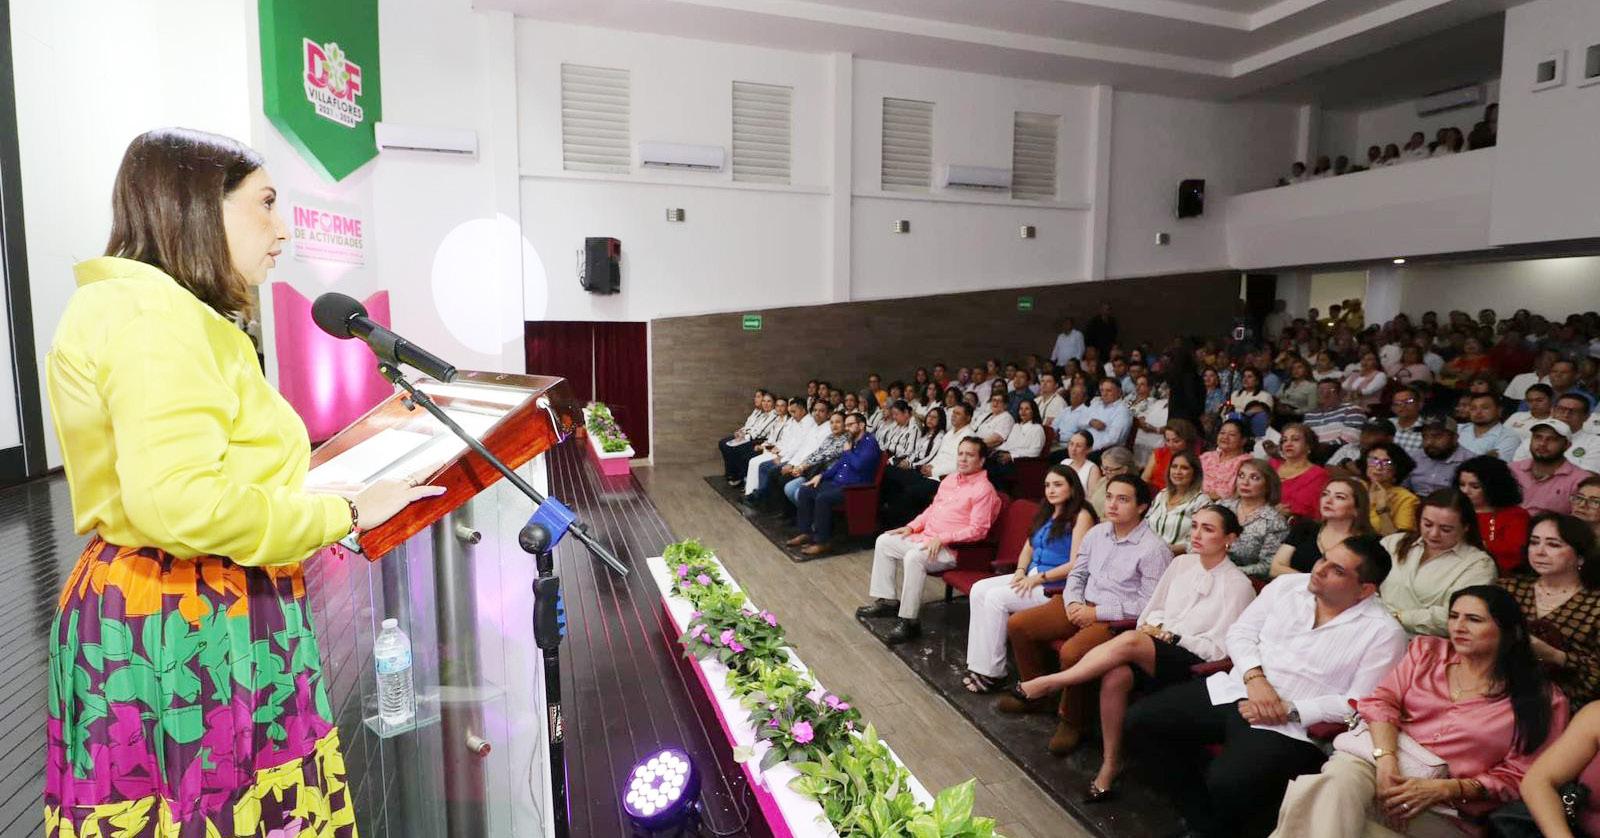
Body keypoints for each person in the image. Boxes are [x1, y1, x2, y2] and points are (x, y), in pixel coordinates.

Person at [44, 129, 446, 835]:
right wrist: (346, 512)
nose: (282, 229)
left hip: (163, 603)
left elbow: (200, 476)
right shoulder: (157, 320)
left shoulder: (134, 306)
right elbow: (181, 503)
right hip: (190, 621)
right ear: (198, 206)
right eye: (264, 203)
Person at [1127, 535, 1408, 838]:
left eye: (1337, 570)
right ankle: (1203, 822)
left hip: (1292, 726)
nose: (1320, 569)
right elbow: (1240, 633)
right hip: (1236, 689)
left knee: (1229, 780)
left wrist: (1290, 709)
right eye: (1323, 558)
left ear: (1365, 589)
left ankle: (1211, 826)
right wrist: (1255, 678)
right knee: (1141, 722)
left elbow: (1360, 702)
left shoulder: (1384, 632)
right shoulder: (1287, 587)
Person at [1273, 585, 1566, 836]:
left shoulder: (1543, 699)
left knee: (1316, 807)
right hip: (1375, 764)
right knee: (1338, 783)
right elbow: (1381, 702)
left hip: (1445, 807)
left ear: (1510, 631)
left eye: (1474, 620)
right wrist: (1386, 761)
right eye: (1454, 616)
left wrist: (1446, 789)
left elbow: (1521, 775)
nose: (1459, 627)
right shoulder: (1427, 652)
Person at [1016, 505, 1255, 802]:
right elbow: (1151, 610)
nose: (1196, 534)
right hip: (1153, 646)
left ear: (1230, 538)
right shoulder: (1181, 564)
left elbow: (1221, 649)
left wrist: (1172, 637)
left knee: (1131, 639)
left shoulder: (1239, 585)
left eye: (1208, 529)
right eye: (1194, 526)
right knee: (1116, 675)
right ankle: (1110, 763)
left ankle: (1053, 682)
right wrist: (1156, 629)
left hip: (1196, 664)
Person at [1002, 476, 1172, 754]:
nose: (1112, 504)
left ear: (1142, 507)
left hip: (1115, 617)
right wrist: (1073, 602)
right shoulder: (1097, 533)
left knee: (1073, 653)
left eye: (1123, 499)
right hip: (1079, 602)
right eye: (1110, 497)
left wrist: (1096, 613)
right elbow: (1078, 574)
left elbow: (1148, 605)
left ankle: (1073, 721)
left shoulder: (1154, 549)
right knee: (1019, 625)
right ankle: (1038, 694)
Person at [962, 466, 1097, 693]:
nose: (1051, 490)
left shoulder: (1081, 515)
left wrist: (1038, 578)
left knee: (996, 598)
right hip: (1033, 575)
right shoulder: (1046, 511)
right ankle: (978, 665)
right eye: (1047, 485)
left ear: (1073, 488)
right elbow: (1028, 547)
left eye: (1058, 485)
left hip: (1056, 586)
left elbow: (1076, 564)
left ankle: (993, 673)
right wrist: (1020, 571)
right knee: (979, 589)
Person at [857, 438, 1002, 643]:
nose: (963, 459)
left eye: (970, 455)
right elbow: (932, 510)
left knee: (914, 557)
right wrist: (912, 527)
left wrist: (943, 538)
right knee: (885, 541)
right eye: (960, 453)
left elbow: (978, 530)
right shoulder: (950, 479)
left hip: (954, 550)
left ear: (982, 460)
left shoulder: (984, 490)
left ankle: (909, 621)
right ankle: (888, 601)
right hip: (926, 538)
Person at [1498, 514, 1600, 707]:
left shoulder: (1595, 603)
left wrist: (1554, 655)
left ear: (1580, 556)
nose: (1539, 552)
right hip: (1500, 692)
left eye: (1553, 545)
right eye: (1534, 542)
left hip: (1569, 703)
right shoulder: (1507, 588)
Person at [1377, 490, 1496, 636]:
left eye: (1446, 529)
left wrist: (1399, 618)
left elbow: (1456, 615)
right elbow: (1363, 583)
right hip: (1372, 628)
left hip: (1426, 643)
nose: (1434, 534)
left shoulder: (1479, 564)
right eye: (1427, 524)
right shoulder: (1393, 543)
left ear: (1466, 527)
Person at [787, 412, 882, 557]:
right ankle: (806, 532)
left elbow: (859, 465)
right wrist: (821, 475)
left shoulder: (870, 443)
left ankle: (822, 542)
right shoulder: (852, 441)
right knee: (806, 489)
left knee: (823, 498)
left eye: (850, 425)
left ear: (861, 425)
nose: (847, 428)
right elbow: (840, 464)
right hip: (838, 483)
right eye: (847, 425)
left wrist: (848, 451)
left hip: (854, 488)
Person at [1270, 478, 1373, 576]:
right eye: (1325, 494)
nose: (1328, 501)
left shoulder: (1368, 543)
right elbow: (1275, 568)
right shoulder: (1305, 527)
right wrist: (1315, 581)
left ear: (1357, 509)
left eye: (1339, 497)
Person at [1457, 455, 1532, 574]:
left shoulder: (1516, 515)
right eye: (1461, 485)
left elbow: (1514, 554)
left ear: (1493, 487)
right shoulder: (1453, 510)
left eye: (1475, 486)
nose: (1465, 491)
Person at [1222, 459, 1291, 579]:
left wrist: (1229, 572)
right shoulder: (1222, 506)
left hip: (1246, 580)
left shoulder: (1274, 521)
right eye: (1241, 476)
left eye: (1254, 478)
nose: (1245, 482)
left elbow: (1267, 566)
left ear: (1268, 485)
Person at [1513, 419, 1596, 515]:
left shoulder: (1581, 479)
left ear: (1567, 445)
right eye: (1538, 437)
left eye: (1552, 439)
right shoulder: (1512, 469)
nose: (1542, 443)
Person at [1145, 450, 1211, 554]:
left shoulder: (1201, 502)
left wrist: (1168, 550)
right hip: (1148, 552)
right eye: (1174, 467)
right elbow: (1145, 523)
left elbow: (1202, 539)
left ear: (1195, 473)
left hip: (1178, 558)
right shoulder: (1162, 494)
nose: (1177, 472)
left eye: (1184, 468)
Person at [987, 398, 1046, 491]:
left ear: (1033, 411)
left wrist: (1011, 456)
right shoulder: (1016, 426)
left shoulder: (1037, 429)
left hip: (1020, 462)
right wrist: (996, 450)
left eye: (1027, 409)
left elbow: (1035, 452)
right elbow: (1008, 444)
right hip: (1005, 455)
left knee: (994, 469)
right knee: (985, 461)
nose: (1023, 412)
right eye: (1021, 409)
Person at [1273, 424, 1329, 522]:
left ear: (1308, 445)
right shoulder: (1272, 465)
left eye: (1295, 439)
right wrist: (1270, 511)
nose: (1288, 444)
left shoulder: (1318, 475)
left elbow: (1315, 512)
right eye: (1284, 440)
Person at [1362, 441, 1420, 536]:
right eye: (1373, 460)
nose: (1378, 467)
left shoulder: (1406, 499)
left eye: (1387, 463)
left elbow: (1399, 542)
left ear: (1397, 468)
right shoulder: (1355, 486)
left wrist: (1382, 510)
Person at [1407, 416, 1474, 496]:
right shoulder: (1414, 457)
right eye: (1425, 436)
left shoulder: (1470, 462)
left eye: (1437, 436)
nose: (1429, 442)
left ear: (1455, 438)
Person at [1201, 419, 1254, 500]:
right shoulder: (1206, 457)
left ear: (1243, 440)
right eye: (1222, 433)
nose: (1225, 437)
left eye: (1232, 435)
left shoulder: (1246, 463)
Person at [1142, 418, 1199, 493]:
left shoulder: (1195, 459)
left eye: (1176, 441)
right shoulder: (1159, 453)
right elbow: (1145, 479)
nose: (1170, 445)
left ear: (1187, 441)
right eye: (1167, 440)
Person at [1460, 391, 1520, 460]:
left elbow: (1493, 464)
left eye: (1485, 408)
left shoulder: (1509, 437)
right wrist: (1484, 457)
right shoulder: (1458, 429)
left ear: (1499, 411)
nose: (1478, 412)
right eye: (1473, 408)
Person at [1082, 378, 1133, 453]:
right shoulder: (1096, 404)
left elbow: (1113, 439)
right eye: (1102, 390)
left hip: (1105, 451)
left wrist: (1091, 449)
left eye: (1108, 391)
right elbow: (1079, 421)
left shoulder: (1122, 411)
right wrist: (1090, 422)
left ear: (1119, 392)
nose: (1104, 394)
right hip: (1084, 445)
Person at [1088, 447, 1135, 520]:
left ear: (1124, 470)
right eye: (1103, 468)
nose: (1104, 473)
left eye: (1109, 469)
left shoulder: (1130, 490)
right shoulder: (1103, 481)